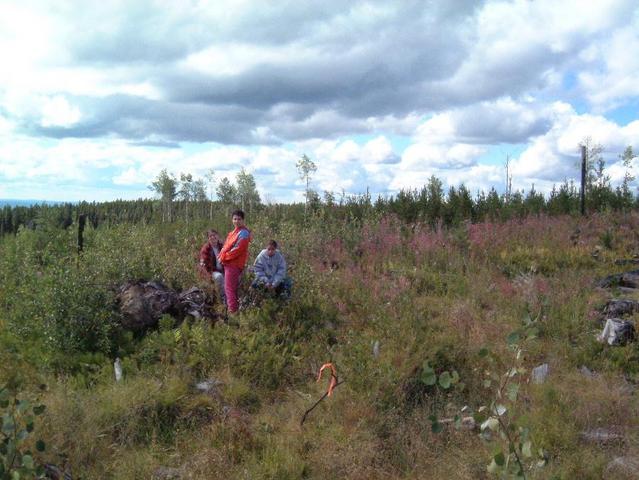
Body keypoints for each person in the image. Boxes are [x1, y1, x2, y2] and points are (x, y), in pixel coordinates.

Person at [218, 210, 251, 314]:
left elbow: (238, 249)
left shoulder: (244, 233)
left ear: (243, 220)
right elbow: (225, 247)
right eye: (235, 219)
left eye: (239, 219)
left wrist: (223, 257)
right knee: (231, 288)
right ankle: (234, 309)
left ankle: (232, 312)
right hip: (228, 264)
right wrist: (222, 255)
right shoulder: (233, 233)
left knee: (229, 289)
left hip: (234, 265)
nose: (237, 221)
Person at [199, 230, 225, 304]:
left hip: (223, 270)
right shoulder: (206, 249)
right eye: (211, 236)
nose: (213, 237)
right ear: (208, 238)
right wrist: (208, 277)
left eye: (215, 235)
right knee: (219, 277)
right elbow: (203, 265)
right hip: (211, 271)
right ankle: (222, 298)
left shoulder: (222, 246)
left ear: (218, 236)